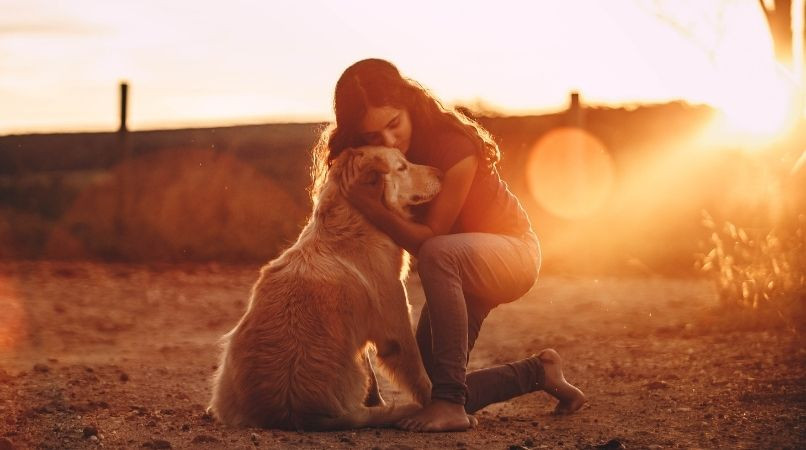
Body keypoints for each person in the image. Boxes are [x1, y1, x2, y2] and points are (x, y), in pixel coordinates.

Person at [310, 58, 587, 432]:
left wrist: (370, 207)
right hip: (458, 267)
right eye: (373, 135)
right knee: (430, 386)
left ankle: (451, 407)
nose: (389, 141)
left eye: (394, 124)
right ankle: (539, 373)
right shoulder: (372, 161)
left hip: (512, 254)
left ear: (408, 102)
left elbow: (432, 238)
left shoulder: (453, 146)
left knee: (438, 254)